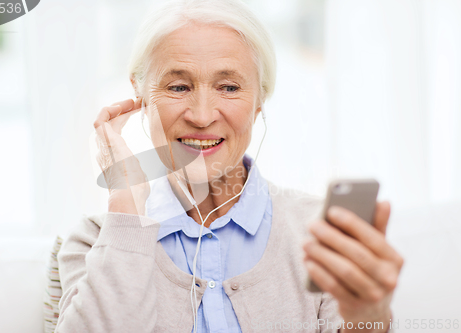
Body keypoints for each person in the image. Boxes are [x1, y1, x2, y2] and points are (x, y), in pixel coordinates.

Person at [56, 0, 403, 332]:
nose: (203, 116)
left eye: (229, 87)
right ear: (141, 95)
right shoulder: (94, 243)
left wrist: (367, 318)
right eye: (178, 86)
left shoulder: (319, 235)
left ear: (259, 100)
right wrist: (126, 200)